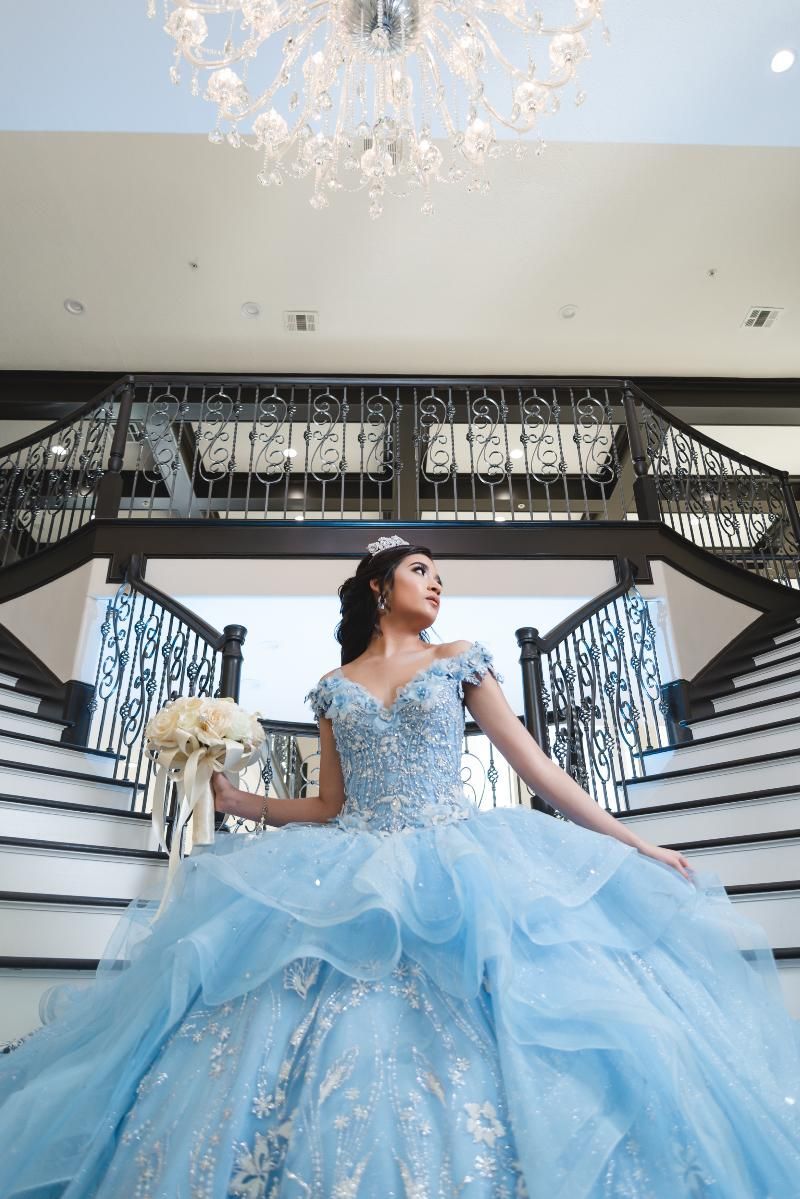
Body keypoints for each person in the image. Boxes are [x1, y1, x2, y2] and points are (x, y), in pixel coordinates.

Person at [0, 535, 798, 1198]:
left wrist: (637, 843)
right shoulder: (332, 688)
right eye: (422, 572)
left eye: (441, 577)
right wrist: (240, 802)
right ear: (380, 586)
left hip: (456, 856)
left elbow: (538, 768)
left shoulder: (460, 660)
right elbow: (328, 805)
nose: (437, 585)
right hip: (352, 859)